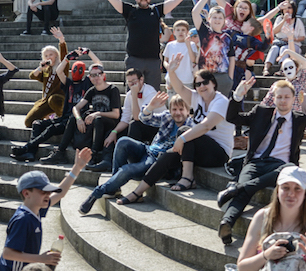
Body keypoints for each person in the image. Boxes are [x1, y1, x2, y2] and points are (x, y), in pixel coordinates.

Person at [215, 77, 306, 245]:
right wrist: (237, 96)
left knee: (289, 169)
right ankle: (226, 223)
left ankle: (236, 188)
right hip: (256, 162)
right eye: (279, 97)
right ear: (273, 98)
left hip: (281, 165)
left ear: (293, 98)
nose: (282, 100)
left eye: (286, 97)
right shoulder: (261, 112)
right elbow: (232, 118)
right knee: (245, 193)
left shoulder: (300, 119)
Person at [121, 61, 234, 201]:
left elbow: (205, 126)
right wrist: (172, 71)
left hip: (219, 153)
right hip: (196, 147)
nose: (202, 86)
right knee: (167, 156)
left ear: (213, 83)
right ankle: (137, 193)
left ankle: (187, 178)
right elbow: (179, 87)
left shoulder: (221, 101)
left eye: (205, 82)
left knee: (185, 131)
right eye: (198, 84)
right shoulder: (197, 98)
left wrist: (181, 139)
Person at [77, 91, 190, 216]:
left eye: (181, 109)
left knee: (127, 169)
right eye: (174, 109)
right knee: (123, 141)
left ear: (188, 111)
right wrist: (151, 106)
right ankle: (114, 186)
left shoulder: (190, 126)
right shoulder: (167, 117)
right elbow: (143, 118)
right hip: (148, 149)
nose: (177, 113)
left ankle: (96, 193)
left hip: (156, 161)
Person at [95, 0, 196, 89]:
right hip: (134, 59)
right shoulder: (130, 10)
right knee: (133, 94)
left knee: (153, 94)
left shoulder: (157, 10)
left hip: (153, 61)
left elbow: (174, 1)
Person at [40, 63, 121, 166]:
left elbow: (116, 114)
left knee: (99, 119)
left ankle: (94, 155)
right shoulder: (92, 91)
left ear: (103, 75)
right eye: (93, 75)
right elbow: (76, 107)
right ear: (90, 78)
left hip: (109, 123)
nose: (96, 77)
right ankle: (60, 152)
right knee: (73, 117)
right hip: (96, 123)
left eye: (98, 74)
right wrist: (78, 119)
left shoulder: (113, 90)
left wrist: (96, 113)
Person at [90, 68, 163, 171]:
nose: (132, 84)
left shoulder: (149, 93)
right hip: (140, 125)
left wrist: (134, 95)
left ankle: (133, 162)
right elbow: (125, 119)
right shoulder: (129, 94)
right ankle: (107, 161)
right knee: (113, 132)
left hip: (155, 127)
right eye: (129, 82)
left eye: (134, 81)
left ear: (141, 80)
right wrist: (114, 132)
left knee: (134, 125)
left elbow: (138, 117)